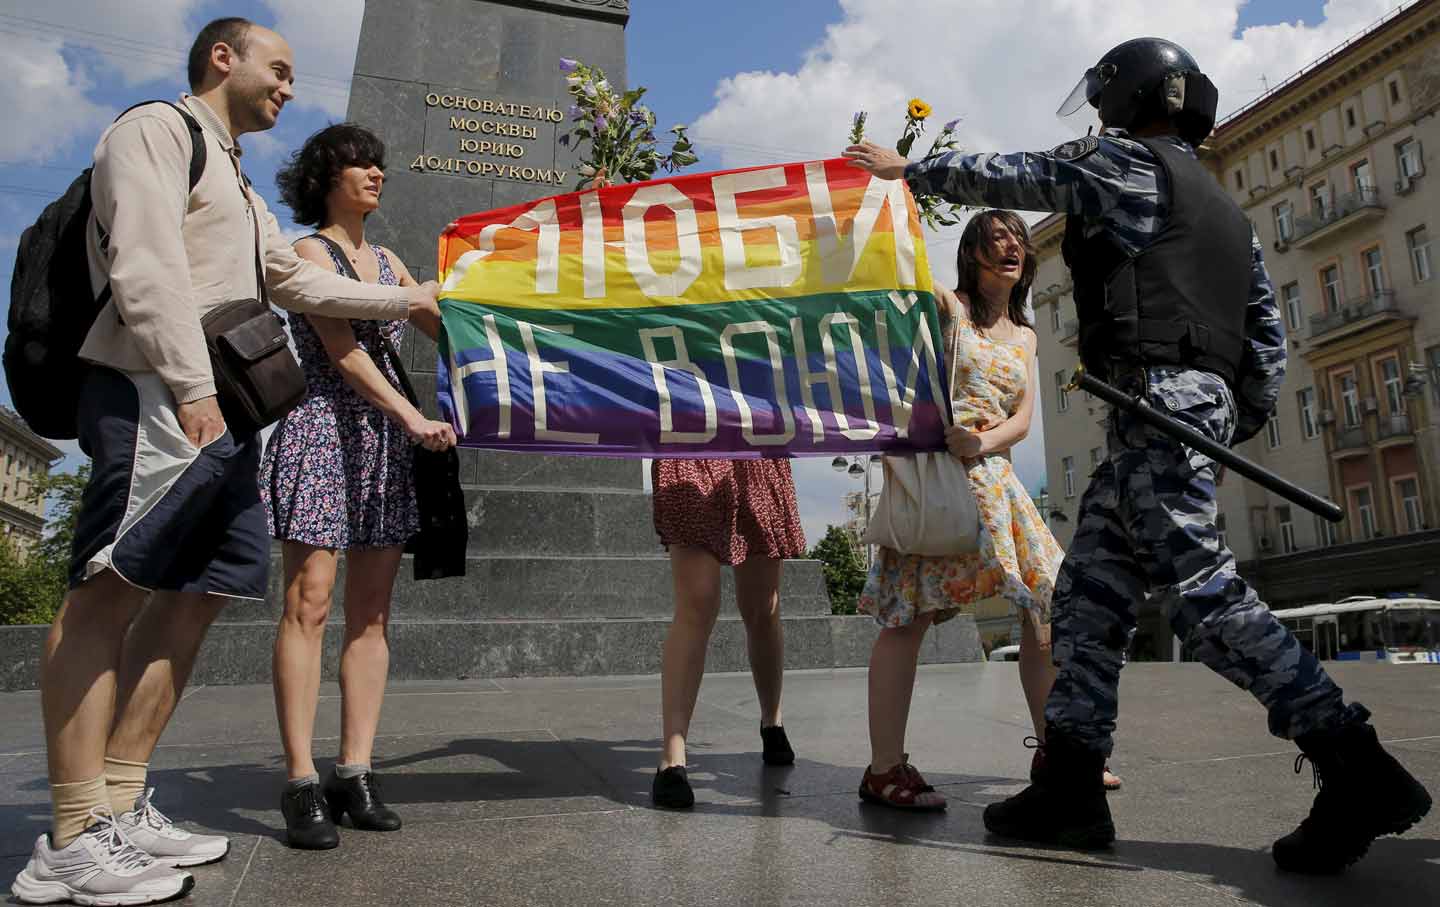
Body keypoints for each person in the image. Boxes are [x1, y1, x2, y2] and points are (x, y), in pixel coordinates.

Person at [845, 37, 1430, 870]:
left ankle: (1356, 761)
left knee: (1202, 594)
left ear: (1130, 97)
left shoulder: (1122, 162)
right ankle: (1071, 787)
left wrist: (914, 172)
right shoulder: (1226, 209)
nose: (1095, 113)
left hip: (1155, 404)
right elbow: (1266, 346)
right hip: (1171, 414)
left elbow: (1024, 173)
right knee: (1085, 598)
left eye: (1103, 98)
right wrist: (1224, 418)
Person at [12, 18, 444, 906]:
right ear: (223, 57)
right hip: (160, 394)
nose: (288, 87)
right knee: (108, 591)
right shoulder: (155, 131)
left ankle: (124, 800)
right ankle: (72, 832)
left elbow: (298, 283)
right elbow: (145, 263)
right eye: (278, 69)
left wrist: (410, 297)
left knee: (199, 597)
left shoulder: (240, 184)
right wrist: (189, 386)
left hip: (228, 414)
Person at [856, 211, 1117, 811]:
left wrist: (985, 442)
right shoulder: (947, 309)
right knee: (907, 618)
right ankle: (884, 768)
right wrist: (898, 192)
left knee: (1048, 607)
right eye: (996, 238)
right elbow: (898, 277)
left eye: (1017, 240)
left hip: (996, 478)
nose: (1011, 247)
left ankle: (1058, 752)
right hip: (939, 479)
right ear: (972, 251)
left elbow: (1024, 420)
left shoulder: (1027, 336)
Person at [262, 124, 456, 850]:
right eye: (359, 164)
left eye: (379, 162)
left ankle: (356, 768)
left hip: (383, 445)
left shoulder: (389, 259)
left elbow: (447, 327)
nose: (376, 172)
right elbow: (341, 351)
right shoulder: (309, 251)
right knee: (309, 604)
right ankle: (300, 778)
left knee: (372, 615)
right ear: (326, 176)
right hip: (324, 430)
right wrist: (412, 414)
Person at [649, 458, 806, 809]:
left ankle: (772, 720)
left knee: (762, 606)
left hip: (754, 443)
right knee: (697, 601)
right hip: (691, 435)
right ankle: (673, 754)